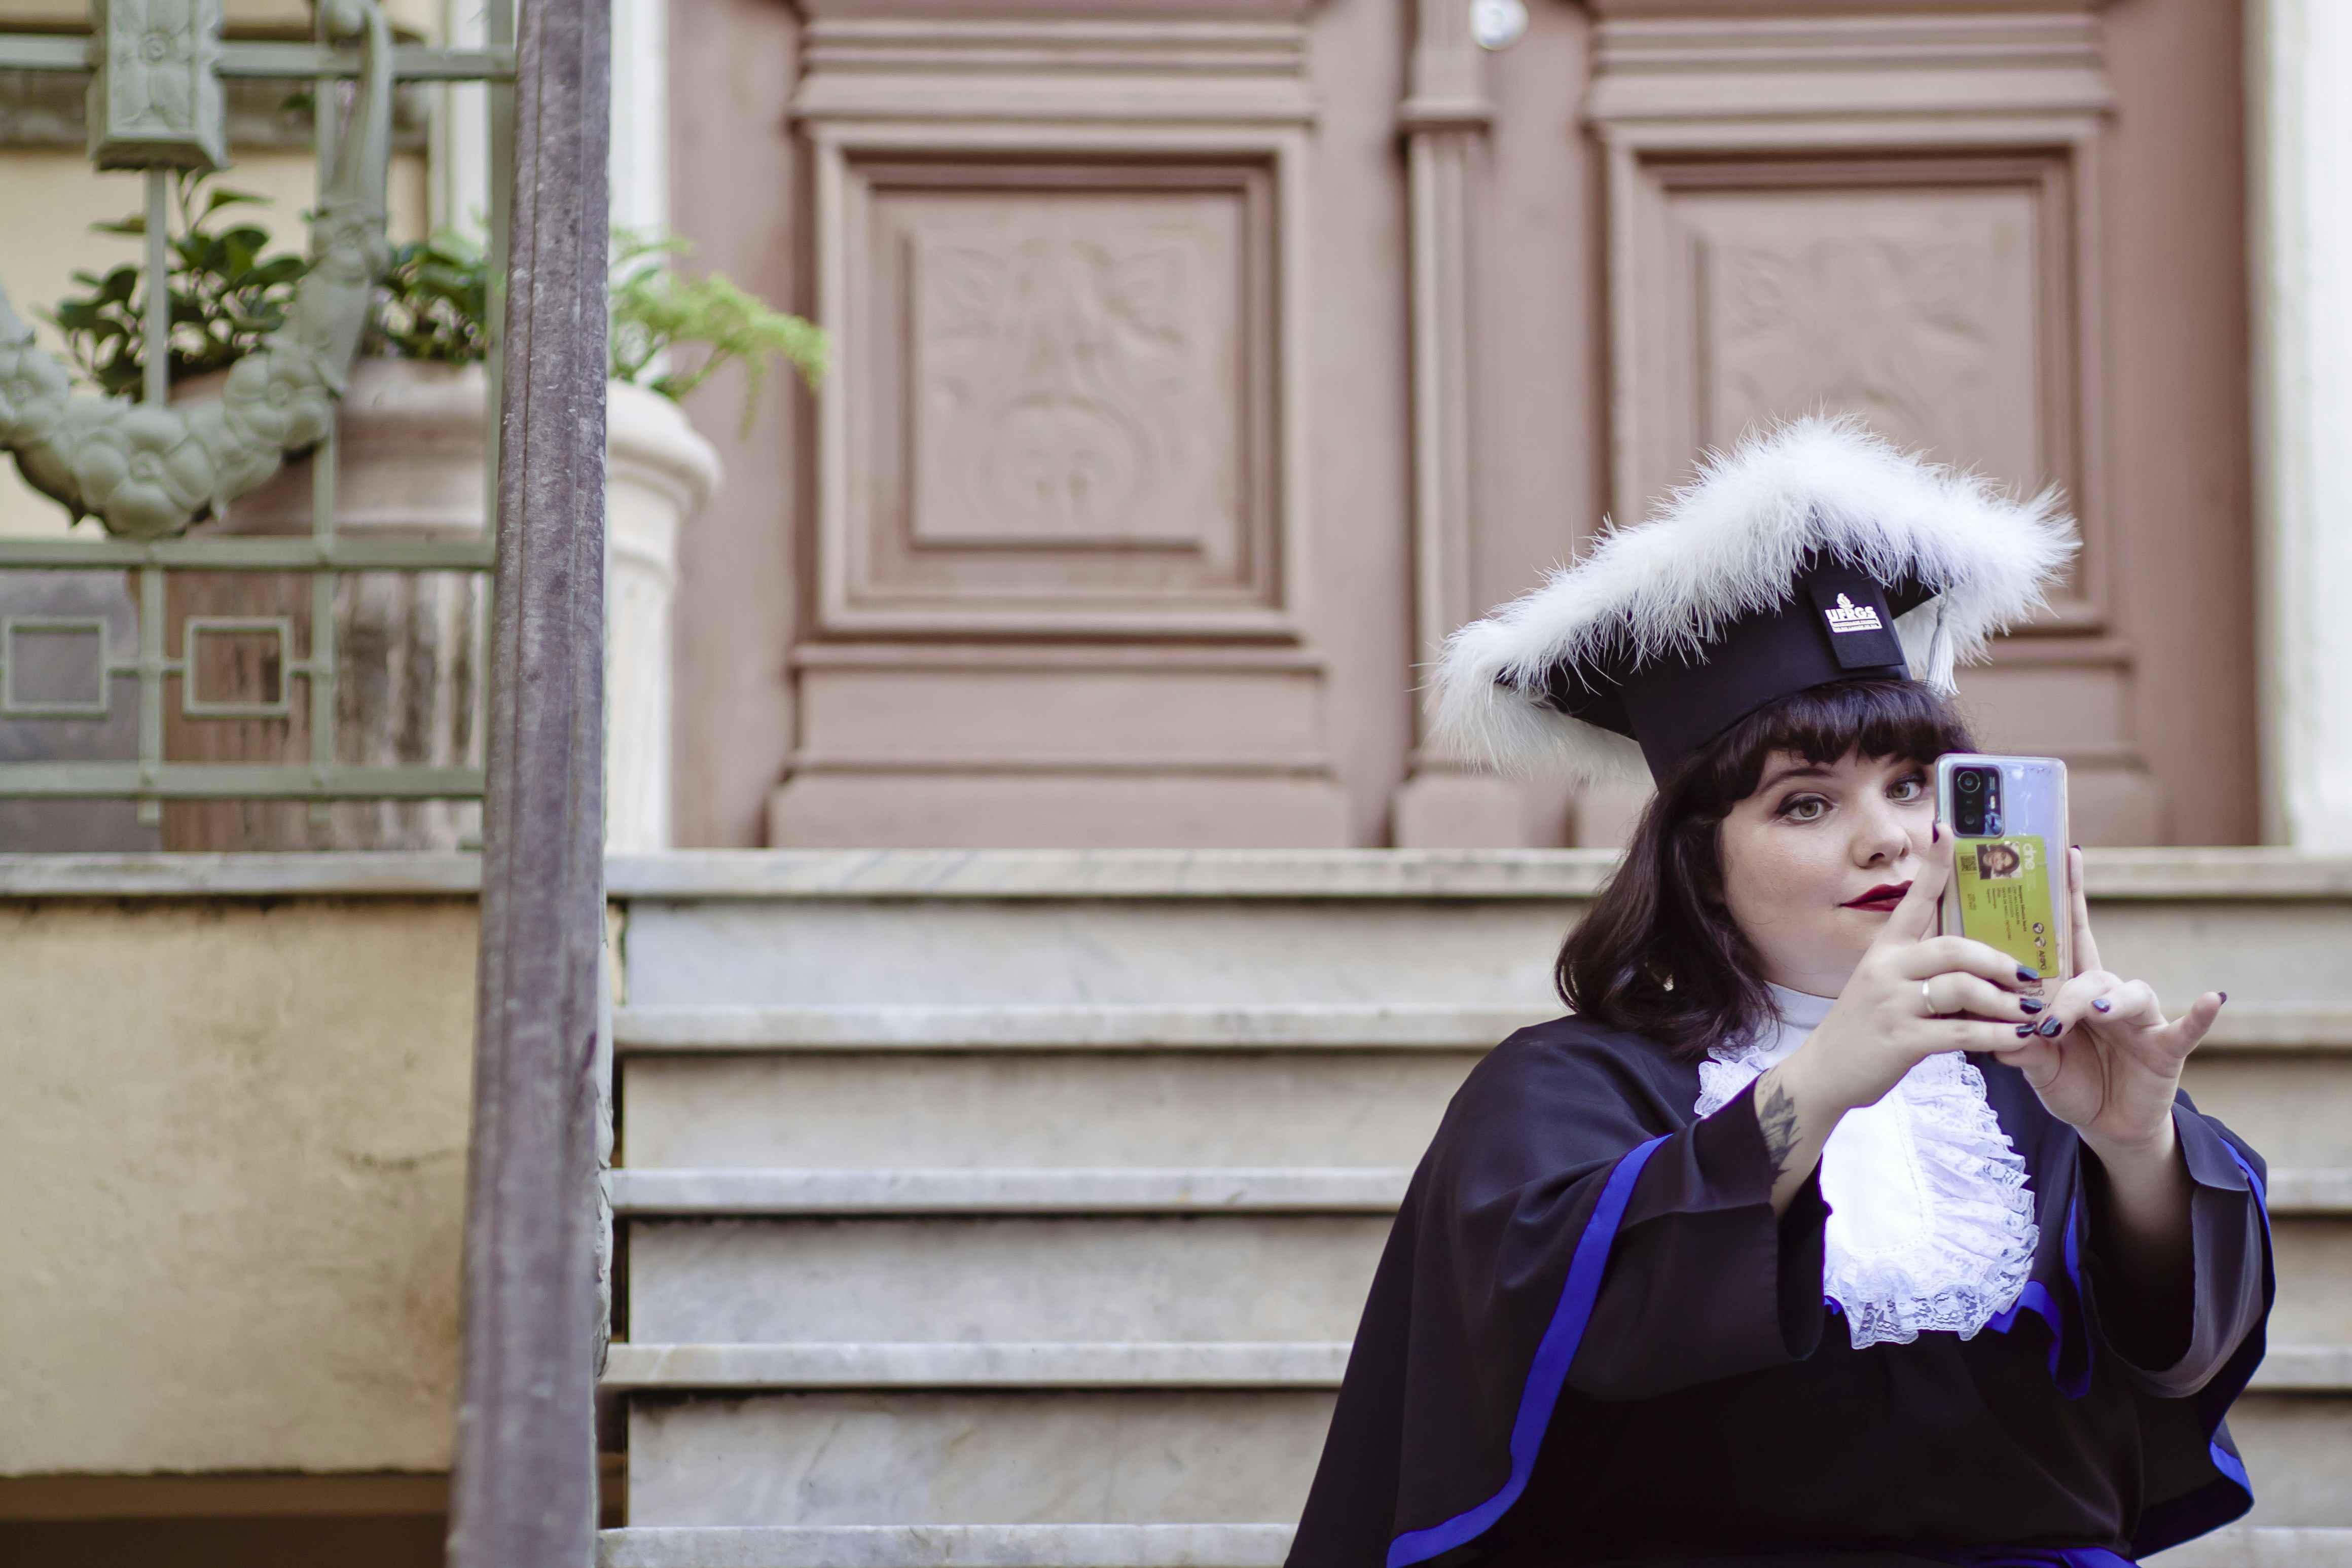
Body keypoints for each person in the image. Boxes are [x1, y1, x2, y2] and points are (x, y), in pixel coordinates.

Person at [1289, 419, 2272, 1568]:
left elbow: (2178, 1351)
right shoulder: (1565, 1087)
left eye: (1911, 784)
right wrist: (1818, 1084)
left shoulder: (2040, 1072)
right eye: (1807, 802)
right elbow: (1558, 1339)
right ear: (1700, 859)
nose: (1889, 840)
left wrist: (2135, 1140)